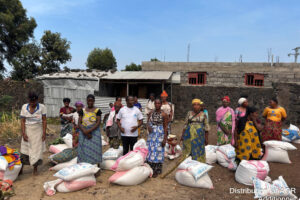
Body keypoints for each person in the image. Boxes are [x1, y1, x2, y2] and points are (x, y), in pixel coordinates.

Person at [20, 91, 47, 175]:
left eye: (34, 101)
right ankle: (21, 169)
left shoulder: (42, 107)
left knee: (36, 150)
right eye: (31, 101)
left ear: (37, 100)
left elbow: (44, 120)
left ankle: (35, 168)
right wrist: (24, 133)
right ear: (28, 100)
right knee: (25, 150)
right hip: (28, 131)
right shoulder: (24, 107)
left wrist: (44, 133)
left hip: (38, 131)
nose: (32, 103)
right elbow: (23, 121)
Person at [78, 94, 102, 164]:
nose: (90, 102)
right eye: (89, 101)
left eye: (92, 101)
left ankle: (95, 165)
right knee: (84, 149)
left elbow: (98, 123)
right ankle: (84, 164)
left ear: (94, 101)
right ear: (86, 101)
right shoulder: (82, 110)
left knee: (95, 149)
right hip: (83, 132)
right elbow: (79, 123)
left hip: (94, 132)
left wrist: (88, 131)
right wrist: (85, 131)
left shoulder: (97, 110)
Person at [146, 99, 168, 177]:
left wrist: (165, 139)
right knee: (151, 150)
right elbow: (148, 122)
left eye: (159, 103)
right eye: (156, 103)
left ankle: (157, 170)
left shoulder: (164, 114)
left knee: (158, 151)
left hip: (160, 134)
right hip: (151, 135)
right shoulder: (151, 113)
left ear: (161, 104)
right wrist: (148, 127)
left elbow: (165, 127)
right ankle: (150, 168)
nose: (157, 104)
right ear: (154, 104)